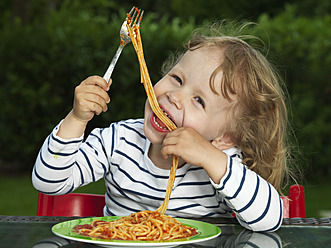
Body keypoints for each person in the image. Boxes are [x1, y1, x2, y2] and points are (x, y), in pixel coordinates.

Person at [32, 21, 291, 232]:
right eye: (177, 79)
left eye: (199, 100)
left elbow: (271, 218)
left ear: (225, 137)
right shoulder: (118, 141)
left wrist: (211, 158)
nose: (174, 96)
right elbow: (48, 182)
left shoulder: (221, 164)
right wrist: (76, 119)